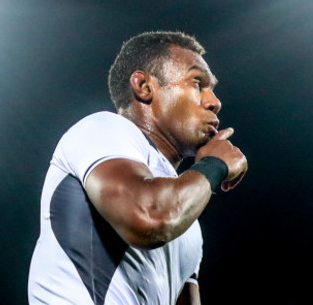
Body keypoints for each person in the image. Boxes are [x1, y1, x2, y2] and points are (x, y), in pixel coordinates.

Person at [27, 31, 248, 305]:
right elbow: (150, 217)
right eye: (197, 83)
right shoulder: (101, 128)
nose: (214, 101)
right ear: (144, 86)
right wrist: (214, 164)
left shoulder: (186, 222)